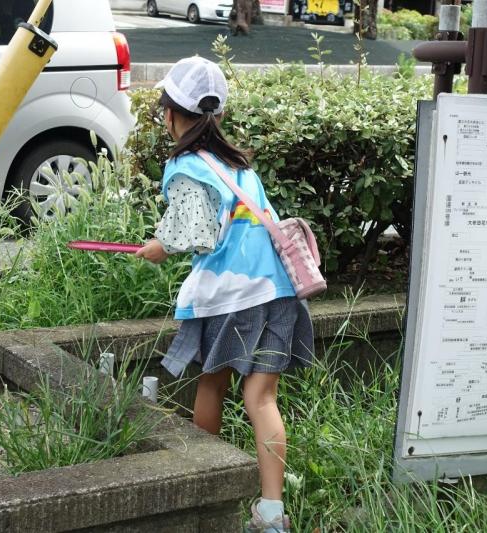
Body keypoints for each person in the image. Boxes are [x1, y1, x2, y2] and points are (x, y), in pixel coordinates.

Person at [135, 56, 314, 533]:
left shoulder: (185, 166)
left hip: (232, 298)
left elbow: (195, 232)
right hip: (278, 292)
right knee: (262, 398)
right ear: (217, 115)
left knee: (212, 384)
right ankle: (271, 515)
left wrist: (160, 247)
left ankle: (205, 487)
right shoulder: (240, 167)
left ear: (170, 113)